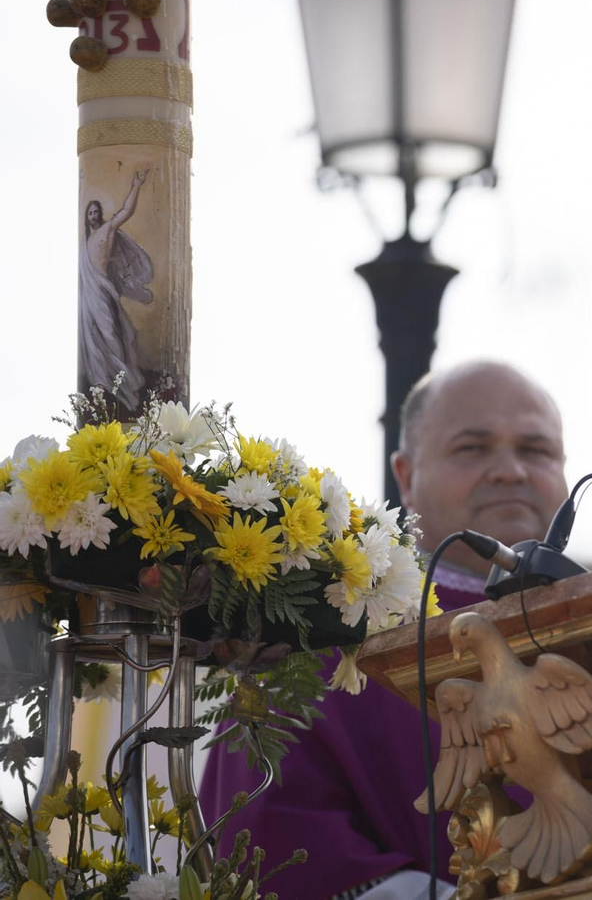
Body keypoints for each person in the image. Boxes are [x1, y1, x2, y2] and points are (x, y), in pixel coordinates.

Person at [200, 360, 567, 900]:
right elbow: (269, 833)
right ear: (407, 476)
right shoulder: (327, 636)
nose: (510, 470)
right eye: (473, 447)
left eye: (536, 450)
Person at [79, 167, 153, 411]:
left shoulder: (106, 231)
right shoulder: (84, 243)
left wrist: (136, 185)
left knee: (110, 333)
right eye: (89, 212)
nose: (93, 215)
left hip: (103, 289)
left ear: (100, 214)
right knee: (91, 337)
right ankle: (102, 383)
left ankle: (124, 379)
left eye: (96, 211)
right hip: (89, 294)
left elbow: (125, 212)